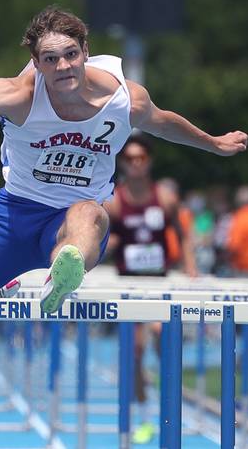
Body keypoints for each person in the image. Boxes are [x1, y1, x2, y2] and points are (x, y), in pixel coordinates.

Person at [0, 5, 248, 329]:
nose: (63, 67)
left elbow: (165, 123)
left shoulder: (125, 100)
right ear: (36, 63)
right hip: (11, 218)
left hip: (75, 219)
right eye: (50, 59)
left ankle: (63, 273)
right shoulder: (17, 97)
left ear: (86, 52)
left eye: (70, 55)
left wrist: (213, 143)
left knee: (89, 213)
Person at [103, 134, 196, 444]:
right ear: (123, 163)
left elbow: (183, 235)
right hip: (127, 286)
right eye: (130, 159)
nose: (136, 163)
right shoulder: (115, 201)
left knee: (160, 335)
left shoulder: (166, 199)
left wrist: (191, 268)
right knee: (133, 353)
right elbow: (104, 240)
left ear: (149, 161)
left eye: (141, 158)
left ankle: (170, 403)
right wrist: (105, 248)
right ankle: (144, 416)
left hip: (158, 283)